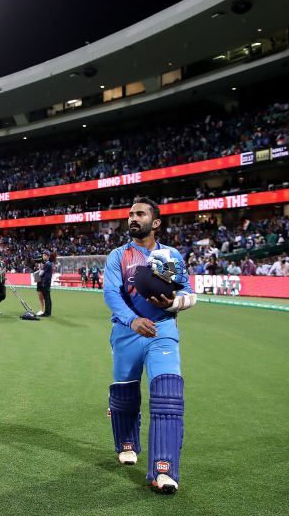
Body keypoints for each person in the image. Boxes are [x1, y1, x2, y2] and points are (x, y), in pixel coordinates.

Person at [103, 197, 196, 494]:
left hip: (162, 330)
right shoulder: (118, 256)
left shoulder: (170, 256)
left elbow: (190, 294)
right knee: (125, 393)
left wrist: (173, 303)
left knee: (168, 393)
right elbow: (111, 295)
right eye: (130, 214)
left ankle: (164, 469)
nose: (132, 218)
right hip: (127, 333)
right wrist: (132, 321)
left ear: (155, 222)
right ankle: (126, 444)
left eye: (140, 214)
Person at [36, 251, 53, 317]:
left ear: (48, 256)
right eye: (43, 255)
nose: (44, 256)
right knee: (47, 298)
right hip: (46, 282)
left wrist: (39, 271)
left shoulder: (47, 264)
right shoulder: (48, 263)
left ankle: (47, 313)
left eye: (45, 255)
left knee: (47, 298)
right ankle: (48, 312)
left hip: (45, 283)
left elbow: (41, 273)